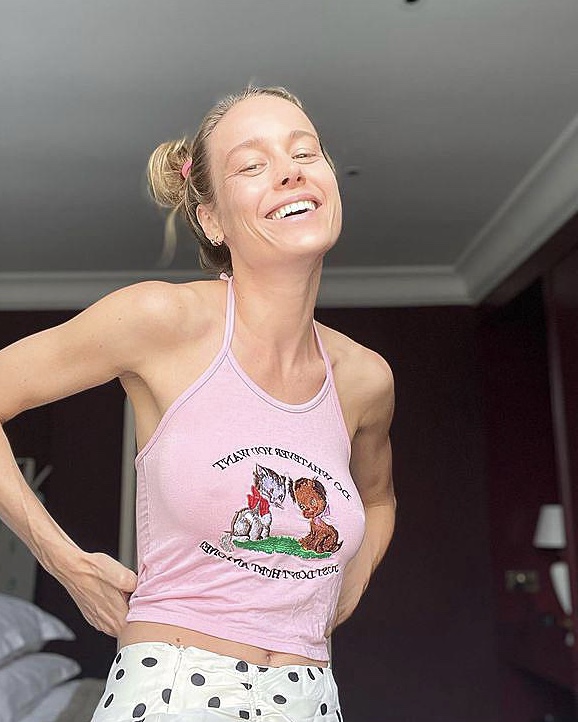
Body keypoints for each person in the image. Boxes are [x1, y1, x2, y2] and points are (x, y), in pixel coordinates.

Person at [0, 85, 396, 722]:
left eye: (305, 152)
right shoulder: (161, 319)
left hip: (314, 696)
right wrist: (62, 560)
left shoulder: (364, 379)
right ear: (211, 220)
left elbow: (379, 499)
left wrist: (358, 573)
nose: (291, 171)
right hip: (175, 690)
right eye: (252, 164)